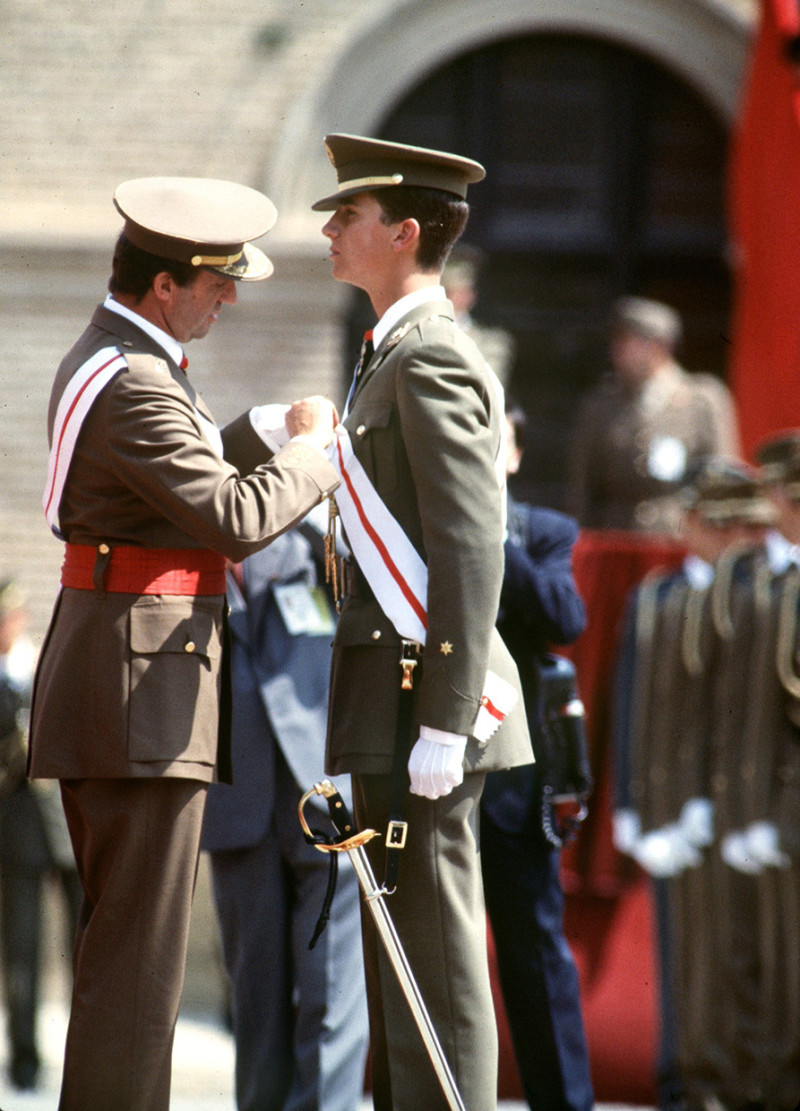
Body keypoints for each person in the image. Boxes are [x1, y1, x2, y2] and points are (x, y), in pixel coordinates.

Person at [27, 175, 340, 1111]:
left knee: (128, 961)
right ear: (164, 286)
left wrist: (261, 427)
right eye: (216, 281)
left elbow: (183, 466)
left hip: (124, 682)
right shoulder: (136, 382)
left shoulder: (127, 362)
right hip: (142, 699)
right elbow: (235, 515)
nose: (229, 296)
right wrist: (312, 458)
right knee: (138, 973)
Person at [314, 134, 532, 1111]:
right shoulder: (387, 351)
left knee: (434, 977)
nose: (328, 227)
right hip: (389, 694)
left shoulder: (430, 354)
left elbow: (469, 542)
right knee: (397, 960)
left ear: (402, 233)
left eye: (346, 215)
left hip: (422, 702)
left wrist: (445, 716)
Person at [612, 458, 776, 1111]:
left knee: (750, 952)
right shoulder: (656, 599)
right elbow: (629, 707)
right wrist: (631, 806)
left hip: (748, 809)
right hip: (675, 806)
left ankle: (752, 1080)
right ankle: (685, 1079)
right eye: (716, 521)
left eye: (739, 522)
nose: (727, 533)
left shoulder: (764, 594)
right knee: (684, 953)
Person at [201, 517, 369, 1111]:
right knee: (257, 1002)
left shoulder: (310, 540)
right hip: (234, 801)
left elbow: (374, 567)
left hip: (322, 792)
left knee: (333, 993)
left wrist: (325, 502)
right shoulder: (188, 545)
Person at [480, 403, 594, 1111]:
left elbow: (566, 617)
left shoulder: (543, 532)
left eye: (497, 443)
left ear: (515, 455)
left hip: (517, 785)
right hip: (432, 771)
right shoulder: (421, 529)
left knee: (534, 957)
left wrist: (490, 540)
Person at [0, 579, 82, 1092]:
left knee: (85, 948)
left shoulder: (43, 664)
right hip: (18, 829)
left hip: (69, 826)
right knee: (22, 951)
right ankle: (24, 1062)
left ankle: (87, 1057)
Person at [566, 296, 741, 534]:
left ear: (659, 346)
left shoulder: (701, 401)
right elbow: (582, 489)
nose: (617, 351)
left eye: (628, 341)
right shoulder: (601, 405)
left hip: (678, 541)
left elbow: (722, 477)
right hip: (615, 541)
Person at [441, 246, 516, 388]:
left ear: (471, 295)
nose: (451, 299)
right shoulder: (419, 332)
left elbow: (488, 388)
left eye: (457, 292)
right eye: (447, 292)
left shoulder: (491, 342)